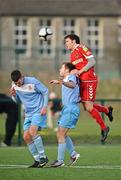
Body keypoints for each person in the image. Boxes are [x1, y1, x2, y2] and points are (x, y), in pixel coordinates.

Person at [64, 34, 113, 143]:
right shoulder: (72, 55)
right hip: (82, 81)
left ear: (73, 41)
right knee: (87, 107)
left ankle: (104, 128)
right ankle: (106, 110)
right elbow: (75, 69)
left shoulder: (82, 48)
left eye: (67, 41)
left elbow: (92, 61)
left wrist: (80, 71)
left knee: (89, 107)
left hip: (89, 80)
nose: (65, 44)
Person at [9, 70, 49, 168]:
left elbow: (46, 91)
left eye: (19, 82)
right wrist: (14, 96)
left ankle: (43, 157)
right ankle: (37, 160)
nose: (18, 85)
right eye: (16, 83)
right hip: (28, 113)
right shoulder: (14, 85)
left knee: (32, 131)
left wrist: (44, 106)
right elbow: (18, 101)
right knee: (26, 137)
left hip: (38, 110)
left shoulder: (33, 81)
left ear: (22, 77)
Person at [50, 62, 80, 167]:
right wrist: (58, 81)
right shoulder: (67, 78)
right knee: (61, 133)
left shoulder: (71, 76)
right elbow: (68, 83)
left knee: (60, 134)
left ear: (67, 70)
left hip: (71, 109)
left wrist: (61, 81)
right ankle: (73, 154)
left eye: (61, 68)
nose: (59, 69)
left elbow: (72, 85)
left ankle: (60, 160)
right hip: (68, 109)